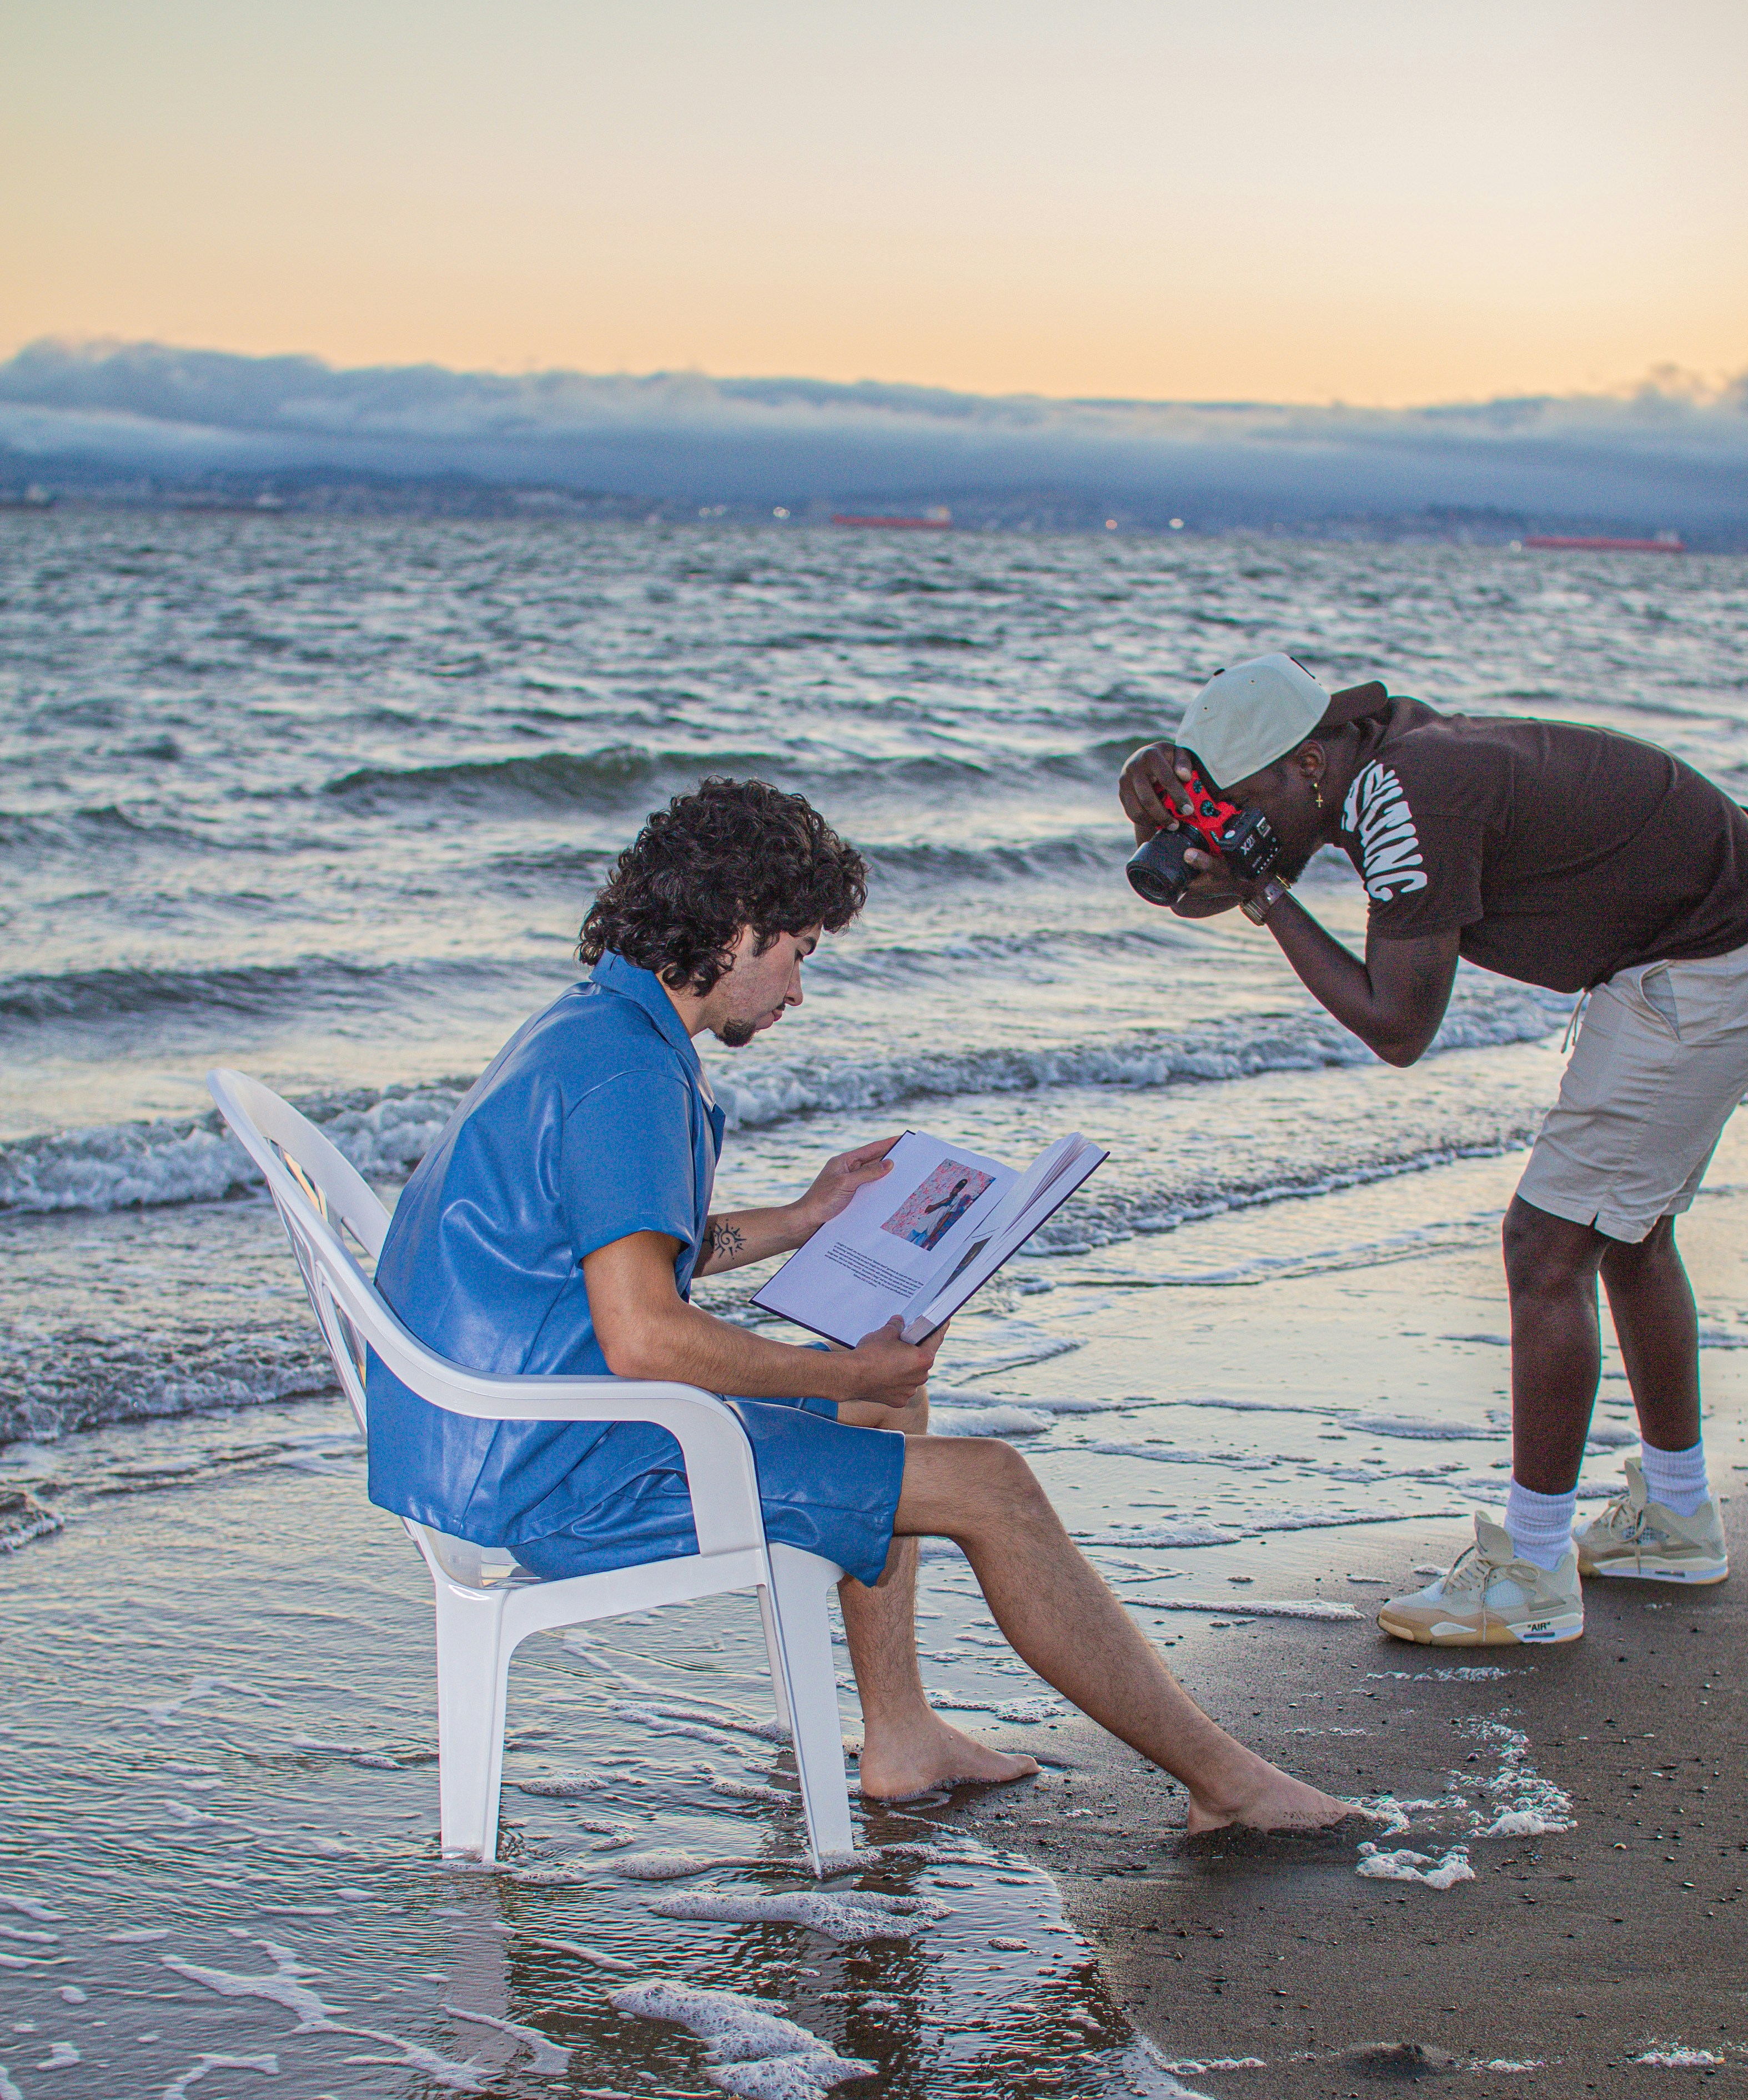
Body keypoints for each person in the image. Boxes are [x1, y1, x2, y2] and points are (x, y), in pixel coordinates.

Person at [369, 775, 1354, 1833]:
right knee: (995, 1486)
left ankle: (902, 1735)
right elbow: (645, 1332)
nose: (797, 992)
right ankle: (1232, 1786)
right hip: (561, 1471)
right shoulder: (628, 1075)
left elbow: (620, 1253)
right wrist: (848, 1371)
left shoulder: (594, 1026)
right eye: (799, 953)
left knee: (893, 1415)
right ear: (741, 930)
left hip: (500, 1431)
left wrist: (802, 1218)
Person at [1119, 656, 1748, 1648]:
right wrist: (1169, 804)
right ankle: (1675, 1517)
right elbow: (1239, 881)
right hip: (1740, 931)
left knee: (1548, 1246)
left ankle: (1531, 1570)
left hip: (1712, 960)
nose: (1234, 826)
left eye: (1239, 804)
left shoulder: (1407, 795)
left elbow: (1397, 1026)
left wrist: (1269, 896)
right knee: (1626, 1229)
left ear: (1310, 763)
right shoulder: (1379, 759)